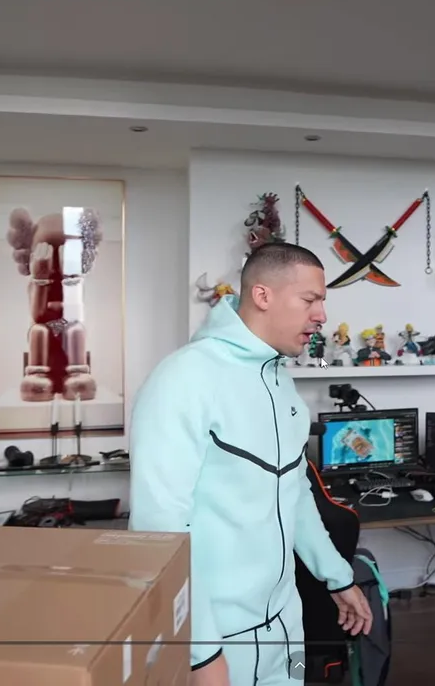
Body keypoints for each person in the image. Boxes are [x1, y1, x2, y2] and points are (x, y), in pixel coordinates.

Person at [130, 243, 373, 686]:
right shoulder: (184, 378)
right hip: (219, 642)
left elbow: (296, 494)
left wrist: (338, 578)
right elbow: (157, 527)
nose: (321, 315)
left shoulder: (280, 380)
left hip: (287, 629)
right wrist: (201, 654)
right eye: (310, 299)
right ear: (263, 295)